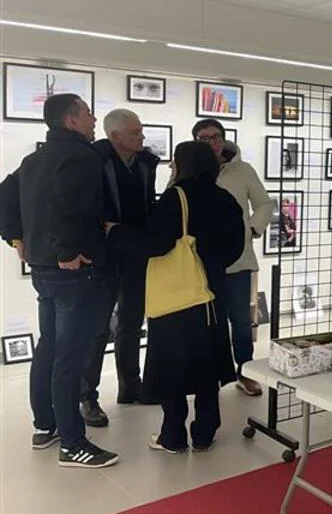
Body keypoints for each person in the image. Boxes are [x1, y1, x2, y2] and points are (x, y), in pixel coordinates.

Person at [0, 94, 119, 468]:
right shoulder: (82, 156)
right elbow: (66, 206)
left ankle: (45, 426)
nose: (94, 119)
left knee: (50, 347)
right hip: (72, 271)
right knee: (70, 355)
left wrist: (16, 238)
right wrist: (67, 251)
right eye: (88, 114)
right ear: (71, 120)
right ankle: (72, 443)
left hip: (43, 269)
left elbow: (4, 196)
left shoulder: (34, 159)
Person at [142, 141, 245, 453]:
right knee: (207, 366)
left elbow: (156, 243)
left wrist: (116, 234)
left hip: (177, 296)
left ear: (183, 164)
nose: (171, 167)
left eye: (175, 162)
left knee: (171, 366)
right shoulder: (225, 198)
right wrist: (211, 264)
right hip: (212, 291)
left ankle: (172, 436)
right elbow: (236, 246)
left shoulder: (176, 197)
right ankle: (204, 433)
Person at [78, 109, 160, 427]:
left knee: (131, 322)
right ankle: (87, 397)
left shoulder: (145, 163)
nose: (141, 137)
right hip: (103, 257)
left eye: (141, 131)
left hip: (136, 254)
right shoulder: (93, 160)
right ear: (115, 136)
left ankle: (130, 386)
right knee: (98, 328)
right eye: (135, 132)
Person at [191, 119, 272, 397]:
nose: (211, 142)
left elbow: (264, 203)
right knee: (208, 321)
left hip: (238, 259)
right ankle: (211, 374)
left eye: (216, 136)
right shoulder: (189, 169)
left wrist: (251, 230)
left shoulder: (243, 170)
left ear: (224, 138)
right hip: (200, 261)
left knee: (240, 321)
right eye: (204, 138)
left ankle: (245, 372)